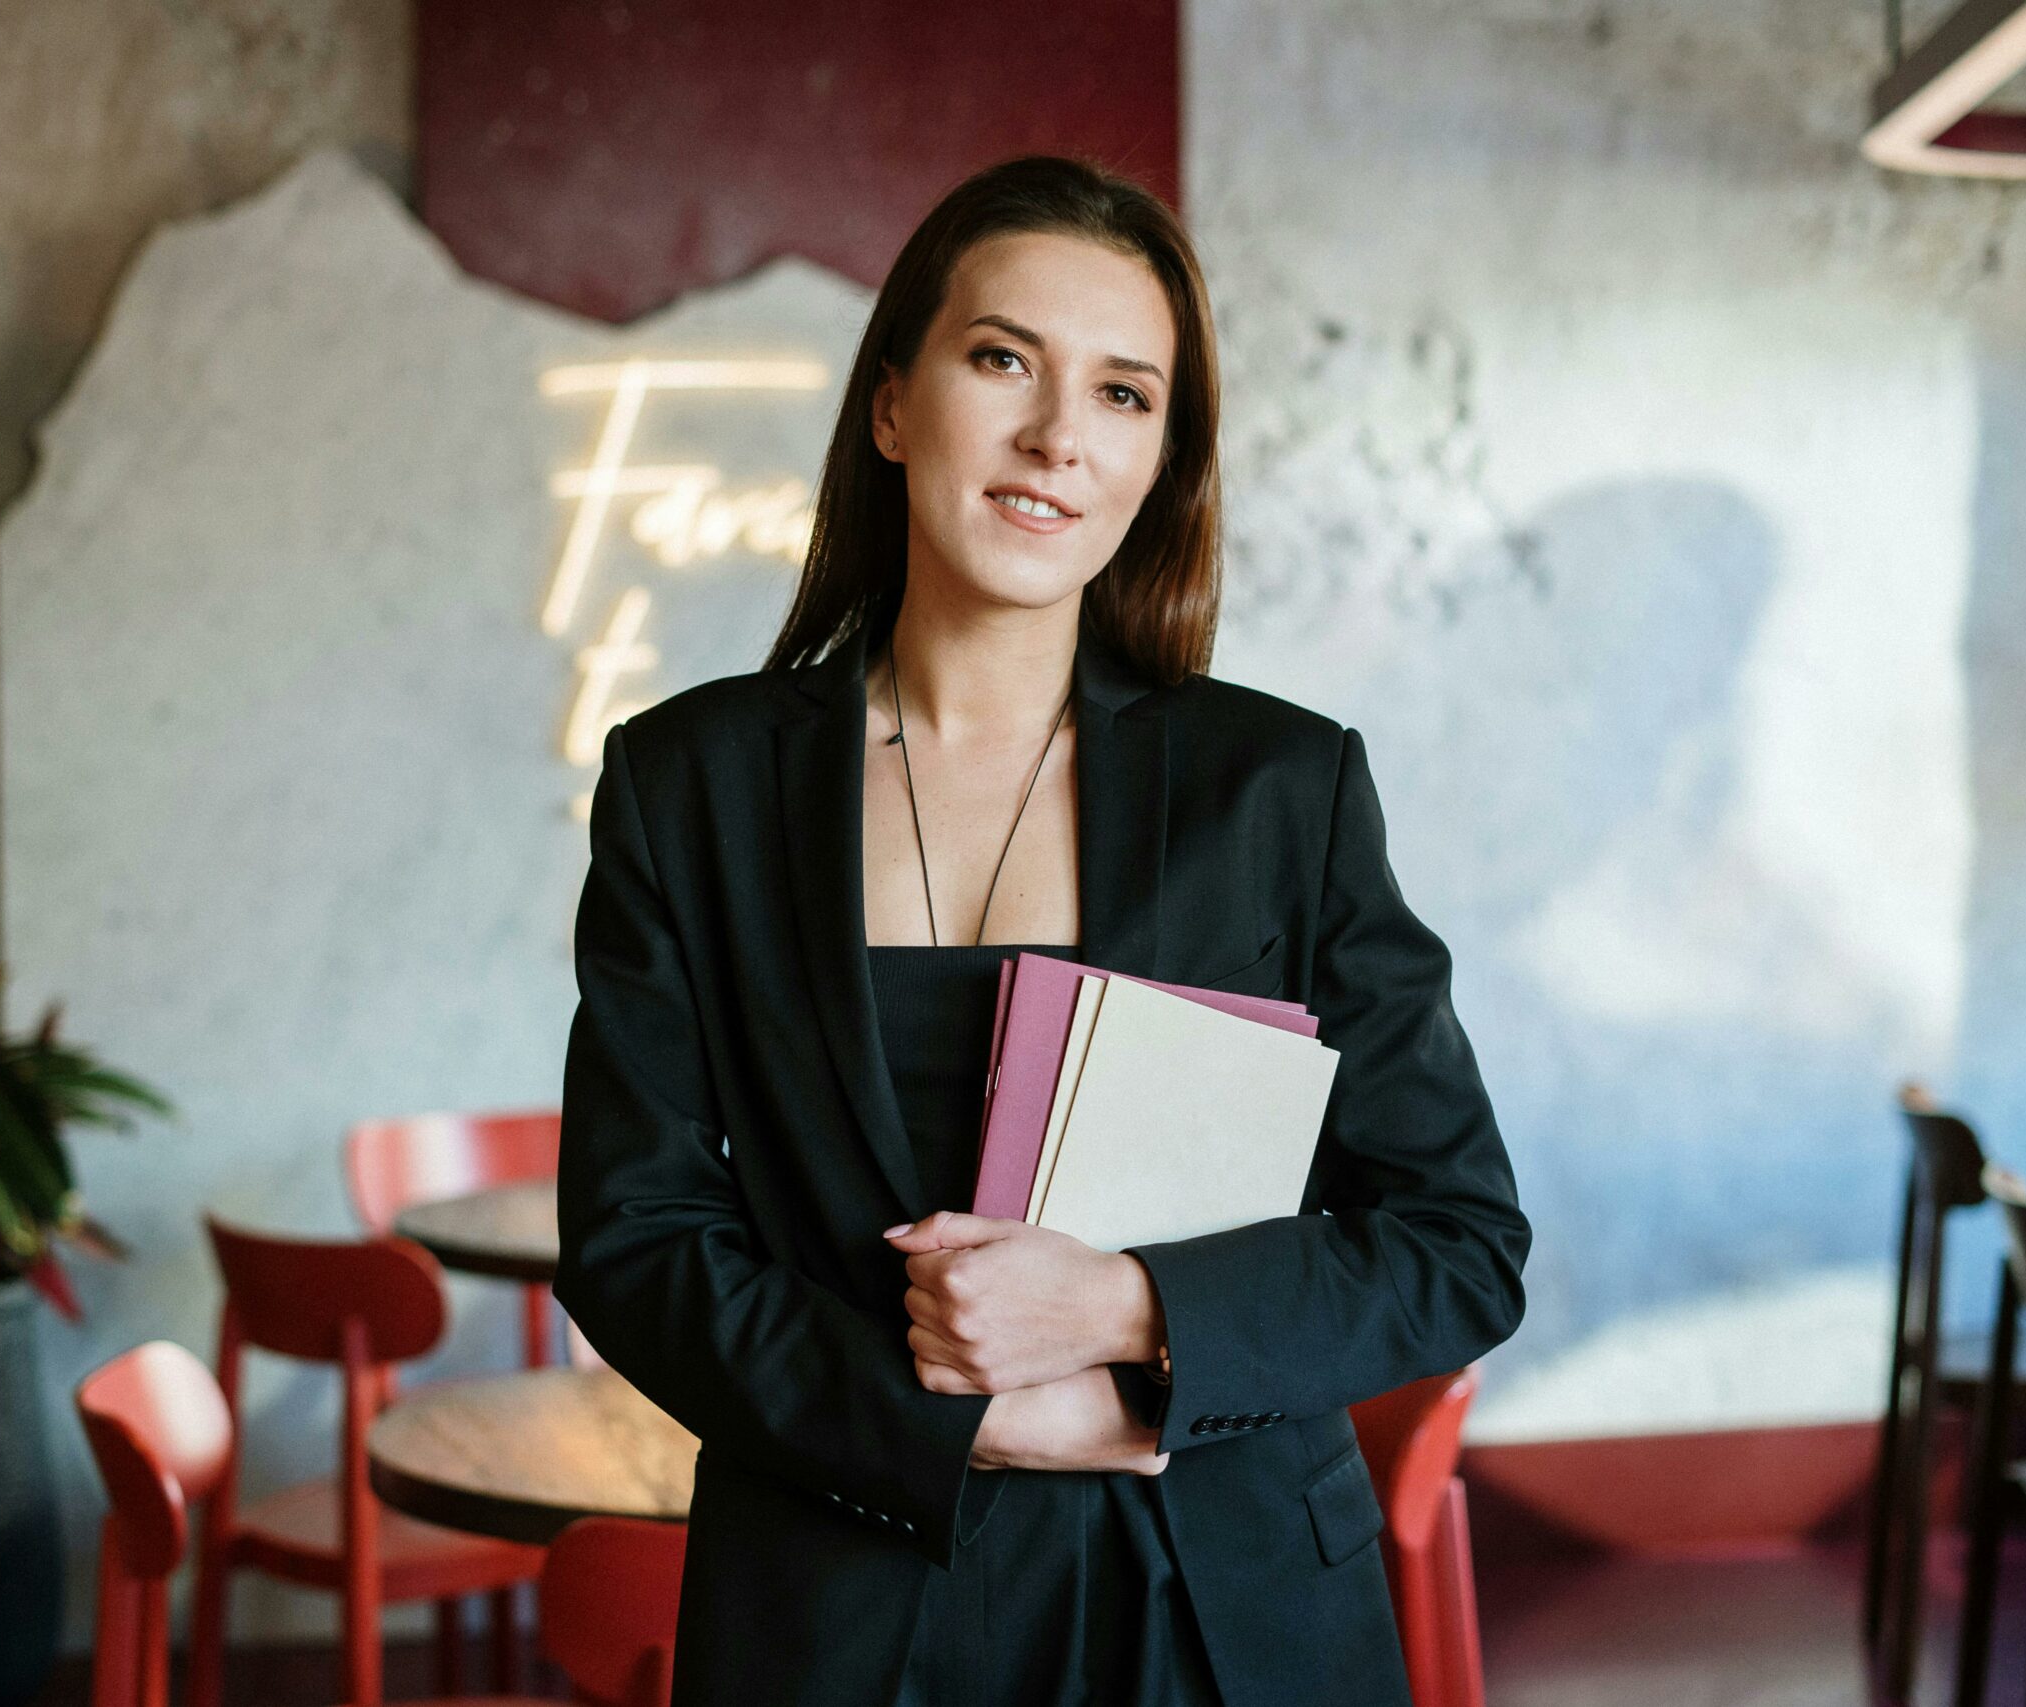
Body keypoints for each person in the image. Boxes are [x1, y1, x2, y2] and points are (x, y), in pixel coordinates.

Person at [555, 154, 1530, 1707]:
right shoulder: (691, 783)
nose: (1057, 439)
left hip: (1228, 1604)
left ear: (1161, 462)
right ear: (893, 406)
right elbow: (636, 1240)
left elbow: (1457, 1244)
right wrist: (962, 1417)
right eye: (1003, 358)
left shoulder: (1283, 789)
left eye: (1125, 395)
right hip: (841, 1601)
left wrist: (1130, 1311)